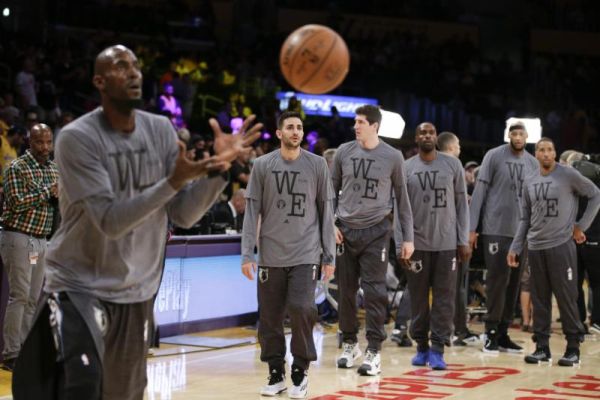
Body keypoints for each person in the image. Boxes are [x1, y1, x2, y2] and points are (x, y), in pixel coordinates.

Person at [12, 45, 262, 400]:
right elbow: (110, 221)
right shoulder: (77, 138)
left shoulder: (160, 130)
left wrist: (219, 173)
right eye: (120, 66)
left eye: (136, 66)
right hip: (79, 286)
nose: (133, 73)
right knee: (81, 388)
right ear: (99, 81)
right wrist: (172, 182)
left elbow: (182, 214)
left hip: (137, 293)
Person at [241, 110, 335, 398]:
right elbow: (251, 211)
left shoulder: (318, 165)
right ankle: (275, 372)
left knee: (301, 308)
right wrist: (247, 253)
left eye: (299, 127)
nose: (296, 132)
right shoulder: (262, 165)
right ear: (279, 133)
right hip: (270, 254)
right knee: (269, 318)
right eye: (290, 127)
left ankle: (300, 369)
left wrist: (329, 256)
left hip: (306, 253)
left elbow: (326, 212)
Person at [332, 104, 414, 376]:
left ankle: (374, 350)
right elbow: (329, 195)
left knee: (375, 291)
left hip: (377, 231)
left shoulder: (393, 156)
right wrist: (330, 224)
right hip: (345, 229)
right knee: (345, 291)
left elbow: (403, 200)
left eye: (361, 122)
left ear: (375, 126)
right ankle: (350, 343)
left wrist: (408, 238)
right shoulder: (343, 152)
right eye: (355, 122)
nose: (355, 126)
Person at [508, 137, 600, 366]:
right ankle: (542, 347)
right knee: (540, 300)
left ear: (555, 153)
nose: (546, 153)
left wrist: (581, 226)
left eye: (549, 149)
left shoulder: (568, 175)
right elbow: (524, 218)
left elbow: (595, 194)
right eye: (541, 150)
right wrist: (516, 246)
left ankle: (572, 348)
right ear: (536, 154)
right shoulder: (528, 180)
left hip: (561, 246)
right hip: (536, 247)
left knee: (567, 298)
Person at [399, 122, 470, 369]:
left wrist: (462, 239)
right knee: (418, 299)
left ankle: (438, 349)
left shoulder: (452, 165)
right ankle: (421, 347)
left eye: (431, 132)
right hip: (416, 244)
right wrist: (401, 243)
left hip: (447, 244)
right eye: (422, 133)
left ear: (436, 137)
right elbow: (400, 210)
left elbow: (462, 204)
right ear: (416, 138)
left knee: (444, 299)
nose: (427, 136)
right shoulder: (406, 168)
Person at [469, 121, 539, 354]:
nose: (518, 137)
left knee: (514, 283)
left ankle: (503, 333)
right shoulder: (494, 156)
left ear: (527, 137)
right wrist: (472, 227)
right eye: (514, 133)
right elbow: (479, 192)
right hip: (495, 229)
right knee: (498, 280)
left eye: (522, 134)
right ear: (508, 135)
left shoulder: (532, 163)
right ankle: (489, 332)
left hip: (522, 233)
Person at [0, 123, 58, 371]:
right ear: (28, 142)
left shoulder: (54, 169)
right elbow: (15, 202)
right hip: (18, 237)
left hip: (40, 240)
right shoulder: (16, 168)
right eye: (39, 142)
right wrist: (48, 192)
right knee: (20, 295)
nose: (45, 147)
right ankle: (11, 353)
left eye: (48, 142)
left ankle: (25, 349)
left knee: (33, 298)